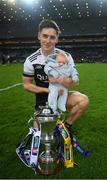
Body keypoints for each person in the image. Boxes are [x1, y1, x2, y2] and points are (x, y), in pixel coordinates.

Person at [22, 19, 89, 132]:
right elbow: (26, 85)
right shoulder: (31, 60)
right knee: (38, 134)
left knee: (83, 100)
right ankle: (43, 118)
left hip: (63, 96)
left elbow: (76, 82)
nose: (48, 41)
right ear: (39, 36)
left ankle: (65, 126)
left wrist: (66, 81)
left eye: (52, 37)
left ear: (57, 39)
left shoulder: (66, 56)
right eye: (45, 36)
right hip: (43, 101)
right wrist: (48, 91)